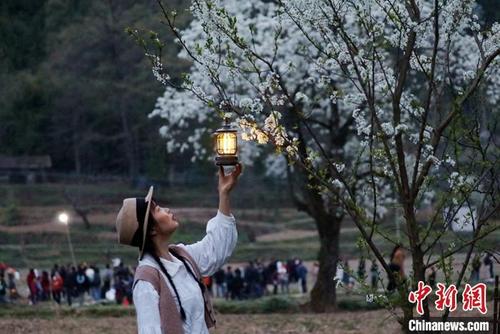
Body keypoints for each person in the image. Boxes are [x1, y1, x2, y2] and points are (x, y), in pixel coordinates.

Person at [116, 164, 241, 334]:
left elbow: (217, 248)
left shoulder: (182, 256)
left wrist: (224, 194)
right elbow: (150, 331)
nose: (167, 210)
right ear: (152, 230)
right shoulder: (147, 279)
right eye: (158, 210)